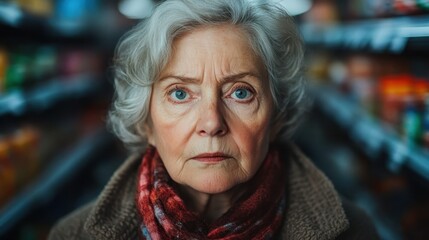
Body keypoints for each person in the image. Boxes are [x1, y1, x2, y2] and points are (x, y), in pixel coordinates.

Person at [49, 0, 379, 239]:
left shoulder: (354, 231)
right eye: (180, 94)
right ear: (145, 122)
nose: (211, 122)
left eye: (240, 93)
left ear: (277, 116)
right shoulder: (72, 235)